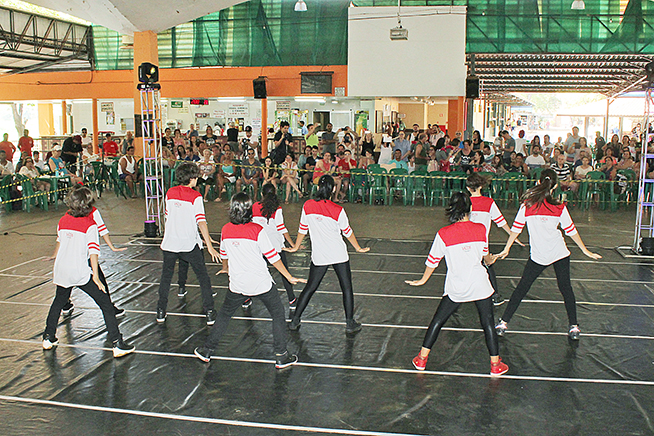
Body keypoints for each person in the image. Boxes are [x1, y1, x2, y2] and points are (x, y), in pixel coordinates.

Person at [194, 193, 304, 368]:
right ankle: (281, 355)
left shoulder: (225, 230)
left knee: (224, 315)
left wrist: (225, 268)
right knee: (277, 314)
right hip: (261, 283)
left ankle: (207, 350)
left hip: (238, 284)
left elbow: (224, 255)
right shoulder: (257, 230)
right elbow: (273, 257)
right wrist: (288, 276)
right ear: (249, 210)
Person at [406, 191, 509, 377]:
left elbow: (432, 261)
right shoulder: (480, 230)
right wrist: (493, 258)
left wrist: (423, 280)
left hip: (457, 287)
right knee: (488, 324)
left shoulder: (443, 234)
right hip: (480, 285)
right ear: (470, 208)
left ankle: (421, 359)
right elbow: (486, 257)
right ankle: (495, 364)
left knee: (438, 321)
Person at [494, 169, 602, 340]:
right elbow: (571, 231)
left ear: (538, 183)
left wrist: (507, 247)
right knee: (565, 288)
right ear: (556, 186)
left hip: (548, 254)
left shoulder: (527, 205)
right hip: (553, 253)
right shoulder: (558, 207)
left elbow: (516, 229)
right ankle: (573, 326)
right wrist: (584, 250)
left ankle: (503, 323)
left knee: (522, 288)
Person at [42, 185, 134, 357]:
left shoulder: (63, 220)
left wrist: (53, 256)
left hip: (62, 270)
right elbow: (93, 253)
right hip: (79, 271)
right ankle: (117, 343)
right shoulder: (90, 225)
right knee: (105, 304)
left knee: (58, 302)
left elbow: (60, 241)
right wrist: (96, 277)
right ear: (87, 205)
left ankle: (48, 337)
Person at [286, 175, 370, 333]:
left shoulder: (308, 205)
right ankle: (350, 323)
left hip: (320, 255)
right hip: (338, 254)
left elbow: (302, 230)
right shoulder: (337, 209)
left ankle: (294, 320)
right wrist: (358, 247)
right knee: (346, 288)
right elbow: (348, 232)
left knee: (310, 288)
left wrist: (296, 247)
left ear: (318, 188)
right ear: (333, 190)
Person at [156, 162, 219, 325]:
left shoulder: (170, 193)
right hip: (188, 244)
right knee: (203, 277)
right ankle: (210, 311)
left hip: (170, 243)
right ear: (192, 178)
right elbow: (201, 222)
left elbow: (168, 216)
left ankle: (161, 311)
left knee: (166, 277)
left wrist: (205, 239)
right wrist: (210, 247)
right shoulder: (196, 197)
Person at [60, 199, 128, 319]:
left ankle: (65, 304)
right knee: (99, 281)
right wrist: (111, 247)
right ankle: (109, 308)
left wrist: (58, 255)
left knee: (67, 281)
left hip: (73, 257)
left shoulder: (68, 214)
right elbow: (102, 230)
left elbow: (60, 238)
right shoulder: (90, 212)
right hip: (84, 256)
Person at [466, 173, 523, 305]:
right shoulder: (489, 203)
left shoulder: (465, 202)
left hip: (466, 242)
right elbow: (501, 222)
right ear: (481, 186)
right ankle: (495, 295)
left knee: (468, 266)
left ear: (468, 188)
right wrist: (513, 236)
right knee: (488, 266)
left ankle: (465, 293)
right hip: (482, 244)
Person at [247, 183, 299, 312]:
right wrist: (293, 244)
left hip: (259, 246)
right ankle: (292, 299)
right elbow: (282, 228)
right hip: (275, 247)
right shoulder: (277, 208)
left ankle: (246, 298)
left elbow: (250, 224)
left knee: (253, 271)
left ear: (261, 194)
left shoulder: (254, 206)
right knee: (284, 272)